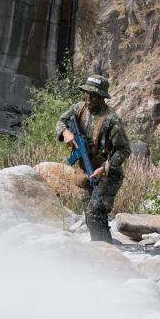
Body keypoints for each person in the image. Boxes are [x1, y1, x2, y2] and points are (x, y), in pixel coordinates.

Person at [55, 74, 130, 243]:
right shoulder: (78, 109)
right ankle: (102, 251)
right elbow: (61, 121)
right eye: (87, 94)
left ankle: (105, 254)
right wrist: (65, 132)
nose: (88, 99)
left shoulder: (112, 120)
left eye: (94, 95)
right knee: (91, 218)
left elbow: (124, 150)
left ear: (102, 97)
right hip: (87, 171)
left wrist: (104, 168)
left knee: (95, 213)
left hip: (107, 175)